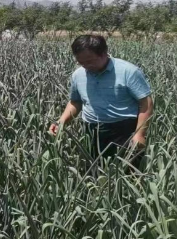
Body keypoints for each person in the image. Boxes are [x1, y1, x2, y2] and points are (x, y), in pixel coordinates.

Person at [49, 34, 154, 171]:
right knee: (93, 172)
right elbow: (75, 102)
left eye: (90, 61)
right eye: (81, 62)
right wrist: (61, 122)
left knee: (126, 174)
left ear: (104, 53)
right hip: (91, 131)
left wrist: (140, 134)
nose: (86, 66)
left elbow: (146, 103)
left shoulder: (128, 71)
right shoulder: (78, 75)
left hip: (123, 131)